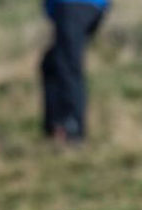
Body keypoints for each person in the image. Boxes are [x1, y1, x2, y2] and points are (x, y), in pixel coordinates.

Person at [41, 0, 110, 143]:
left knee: (68, 66)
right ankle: (56, 126)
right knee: (52, 63)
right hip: (84, 7)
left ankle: (73, 130)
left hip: (73, 5)